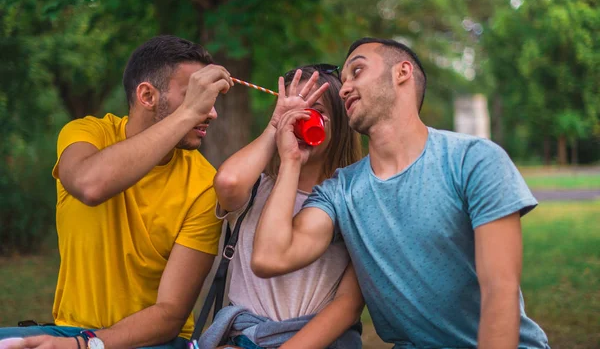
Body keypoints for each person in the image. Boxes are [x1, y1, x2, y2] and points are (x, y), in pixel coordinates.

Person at [251, 38, 551, 348]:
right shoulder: (341, 192)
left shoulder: (473, 160)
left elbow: (499, 291)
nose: (344, 89)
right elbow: (270, 257)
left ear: (402, 72)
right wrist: (291, 160)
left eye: (357, 71)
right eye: (343, 81)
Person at [0, 35, 234, 349]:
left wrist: (88, 346)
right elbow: (90, 185)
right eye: (194, 96)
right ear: (148, 95)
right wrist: (187, 114)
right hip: (69, 333)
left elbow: (170, 314)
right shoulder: (86, 134)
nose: (210, 112)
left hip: (153, 342)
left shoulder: (206, 182)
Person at [198, 65, 365, 348]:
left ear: (340, 123)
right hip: (244, 339)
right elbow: (227, 182)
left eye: (317, 110)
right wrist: (277, 129)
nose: (302, 116)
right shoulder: (256, 187)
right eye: (294, 108)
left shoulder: (353, 200)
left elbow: (348, 305)